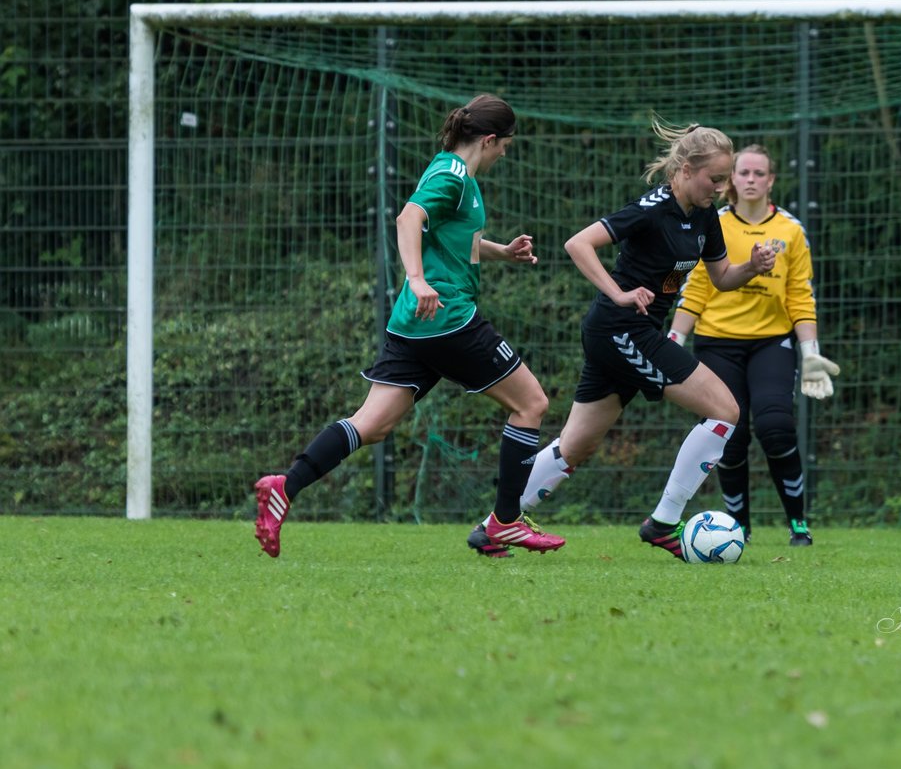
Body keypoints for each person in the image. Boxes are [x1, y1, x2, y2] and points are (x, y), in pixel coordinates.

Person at [254, 93, 564, 559]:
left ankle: (285, 486)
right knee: (531, 404)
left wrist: (502, 252)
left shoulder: (454, 174)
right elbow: (409, 217)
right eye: (506, 147)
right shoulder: (454, 175)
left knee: (372, 424)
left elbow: (455, 241)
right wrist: (417, 279)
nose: (504, 155)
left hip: (414, 325)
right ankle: (505, 522)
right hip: (447, 318)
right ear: (491, 139)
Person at [478, 120, 776, 559]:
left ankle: (492, 528)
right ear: (688, 169)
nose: (720, 188)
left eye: (724, 179)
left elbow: (722, 278)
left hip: (626, 333)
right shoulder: (652, 209)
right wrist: (617, 293)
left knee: (577, 443)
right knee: (726, 410)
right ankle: (664, 521)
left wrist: (751, 266)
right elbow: (578, 243)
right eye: (714, 179)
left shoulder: (705, 215)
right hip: (620, 329)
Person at [667, 144, 840, 546]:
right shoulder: (715, 224)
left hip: (770, 343)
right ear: (731, 179)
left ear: (771, 180)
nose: (749, 180)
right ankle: (738, 526)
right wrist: (674, 339)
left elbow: (800, 295)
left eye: (758, 173)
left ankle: (798, 523)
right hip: (715, 343)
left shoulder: (791, 231)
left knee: (776, 425)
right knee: (731, 432)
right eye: (742, 172)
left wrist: (810, 353)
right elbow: (695, 290)